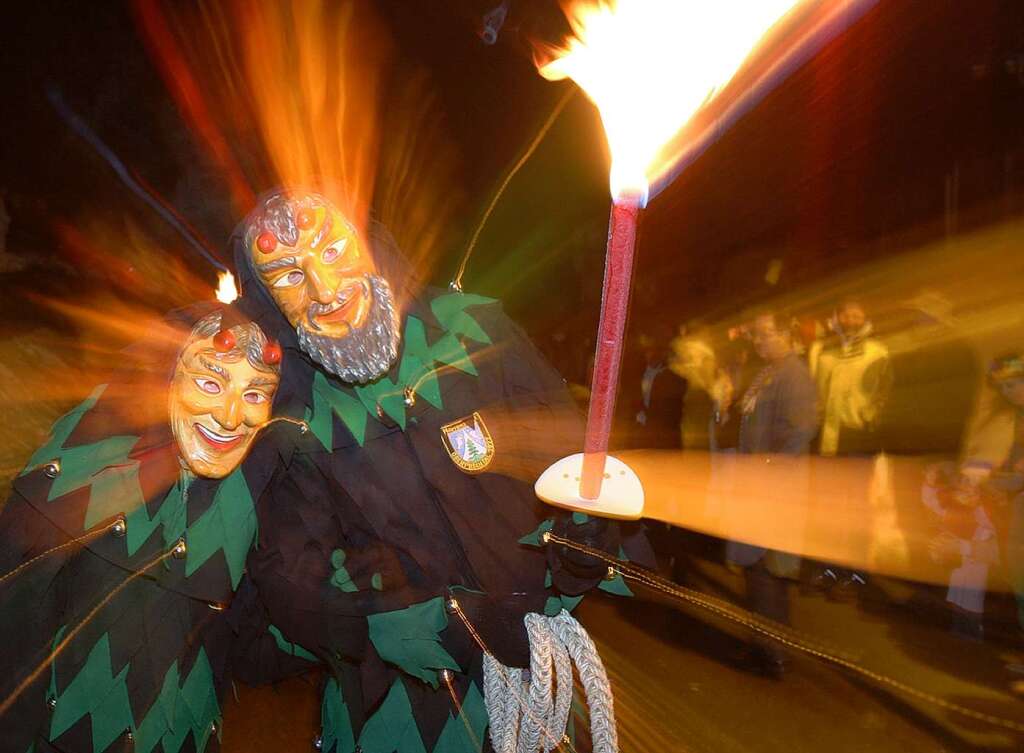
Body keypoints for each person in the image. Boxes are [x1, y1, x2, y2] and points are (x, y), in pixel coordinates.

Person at [231, 190, 650, 752]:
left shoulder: (475, 330)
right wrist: (435, 624)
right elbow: (292, 578)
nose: (324, 290)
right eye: (287, 275)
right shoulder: (289, 412)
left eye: (333, 248)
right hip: (396, 711)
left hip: (538, 685)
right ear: (266, 300)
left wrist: (584, 544)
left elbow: (569, 463)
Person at [0, 308, 302, 753]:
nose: (232, 415)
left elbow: (250, 651)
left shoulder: (249, 503)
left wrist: (342, 618)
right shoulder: (89, 467)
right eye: (210, 384)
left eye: (256, 393)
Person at [725, 312, 818, 678]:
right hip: (759, 484)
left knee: (767, 570)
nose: (758, 342)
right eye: (756, 336)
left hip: (774, 487)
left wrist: (767, 466)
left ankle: (772, 652)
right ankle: (767, 645)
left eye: (765, 335)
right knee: (760, 570)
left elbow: (802, 430)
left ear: (785, 334)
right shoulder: (767, 372)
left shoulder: (793, 374)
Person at [806, 299, 892, 599]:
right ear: (836, 316)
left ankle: (856, 573)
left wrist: (870, 423)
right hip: (827, 443)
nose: (852, 317)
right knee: (827, 509)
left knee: (857, 511)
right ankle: (828, 567)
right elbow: (813, 393)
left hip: (858, 442)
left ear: (866, 316)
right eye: (846, 312)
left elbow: (885, 396)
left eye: (858, 312)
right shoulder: (822, 351)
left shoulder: (878, 351)